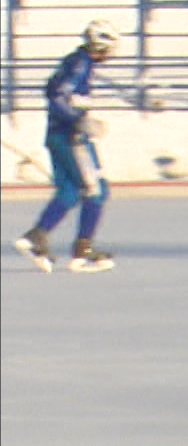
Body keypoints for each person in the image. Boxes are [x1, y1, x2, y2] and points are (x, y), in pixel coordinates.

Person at [14, 20, 120, 273]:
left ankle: (36, 237)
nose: (111, 54)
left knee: (70, 191)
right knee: (96, 190)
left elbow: (52, 89)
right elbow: (57, 95)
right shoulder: (80, 64)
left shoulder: (77, 62)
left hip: (58, 135)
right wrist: (78, 121)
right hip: (71, 137)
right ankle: (83, 250)